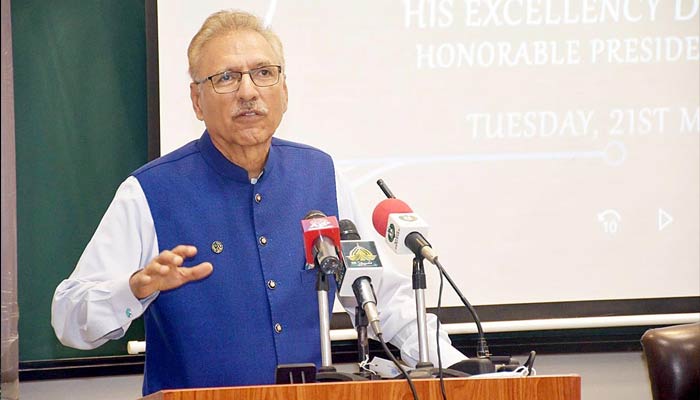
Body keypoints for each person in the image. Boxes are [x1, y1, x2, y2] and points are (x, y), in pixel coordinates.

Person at [51, 9, 466, 395]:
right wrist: (134, 288)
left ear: (284, 90)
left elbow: (383, 299)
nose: (248, 92)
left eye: (264, 73)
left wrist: (463, 370)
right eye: (227, 78)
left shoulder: (321, 176)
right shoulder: (149, 192)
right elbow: (69, 318)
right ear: (197, 100)